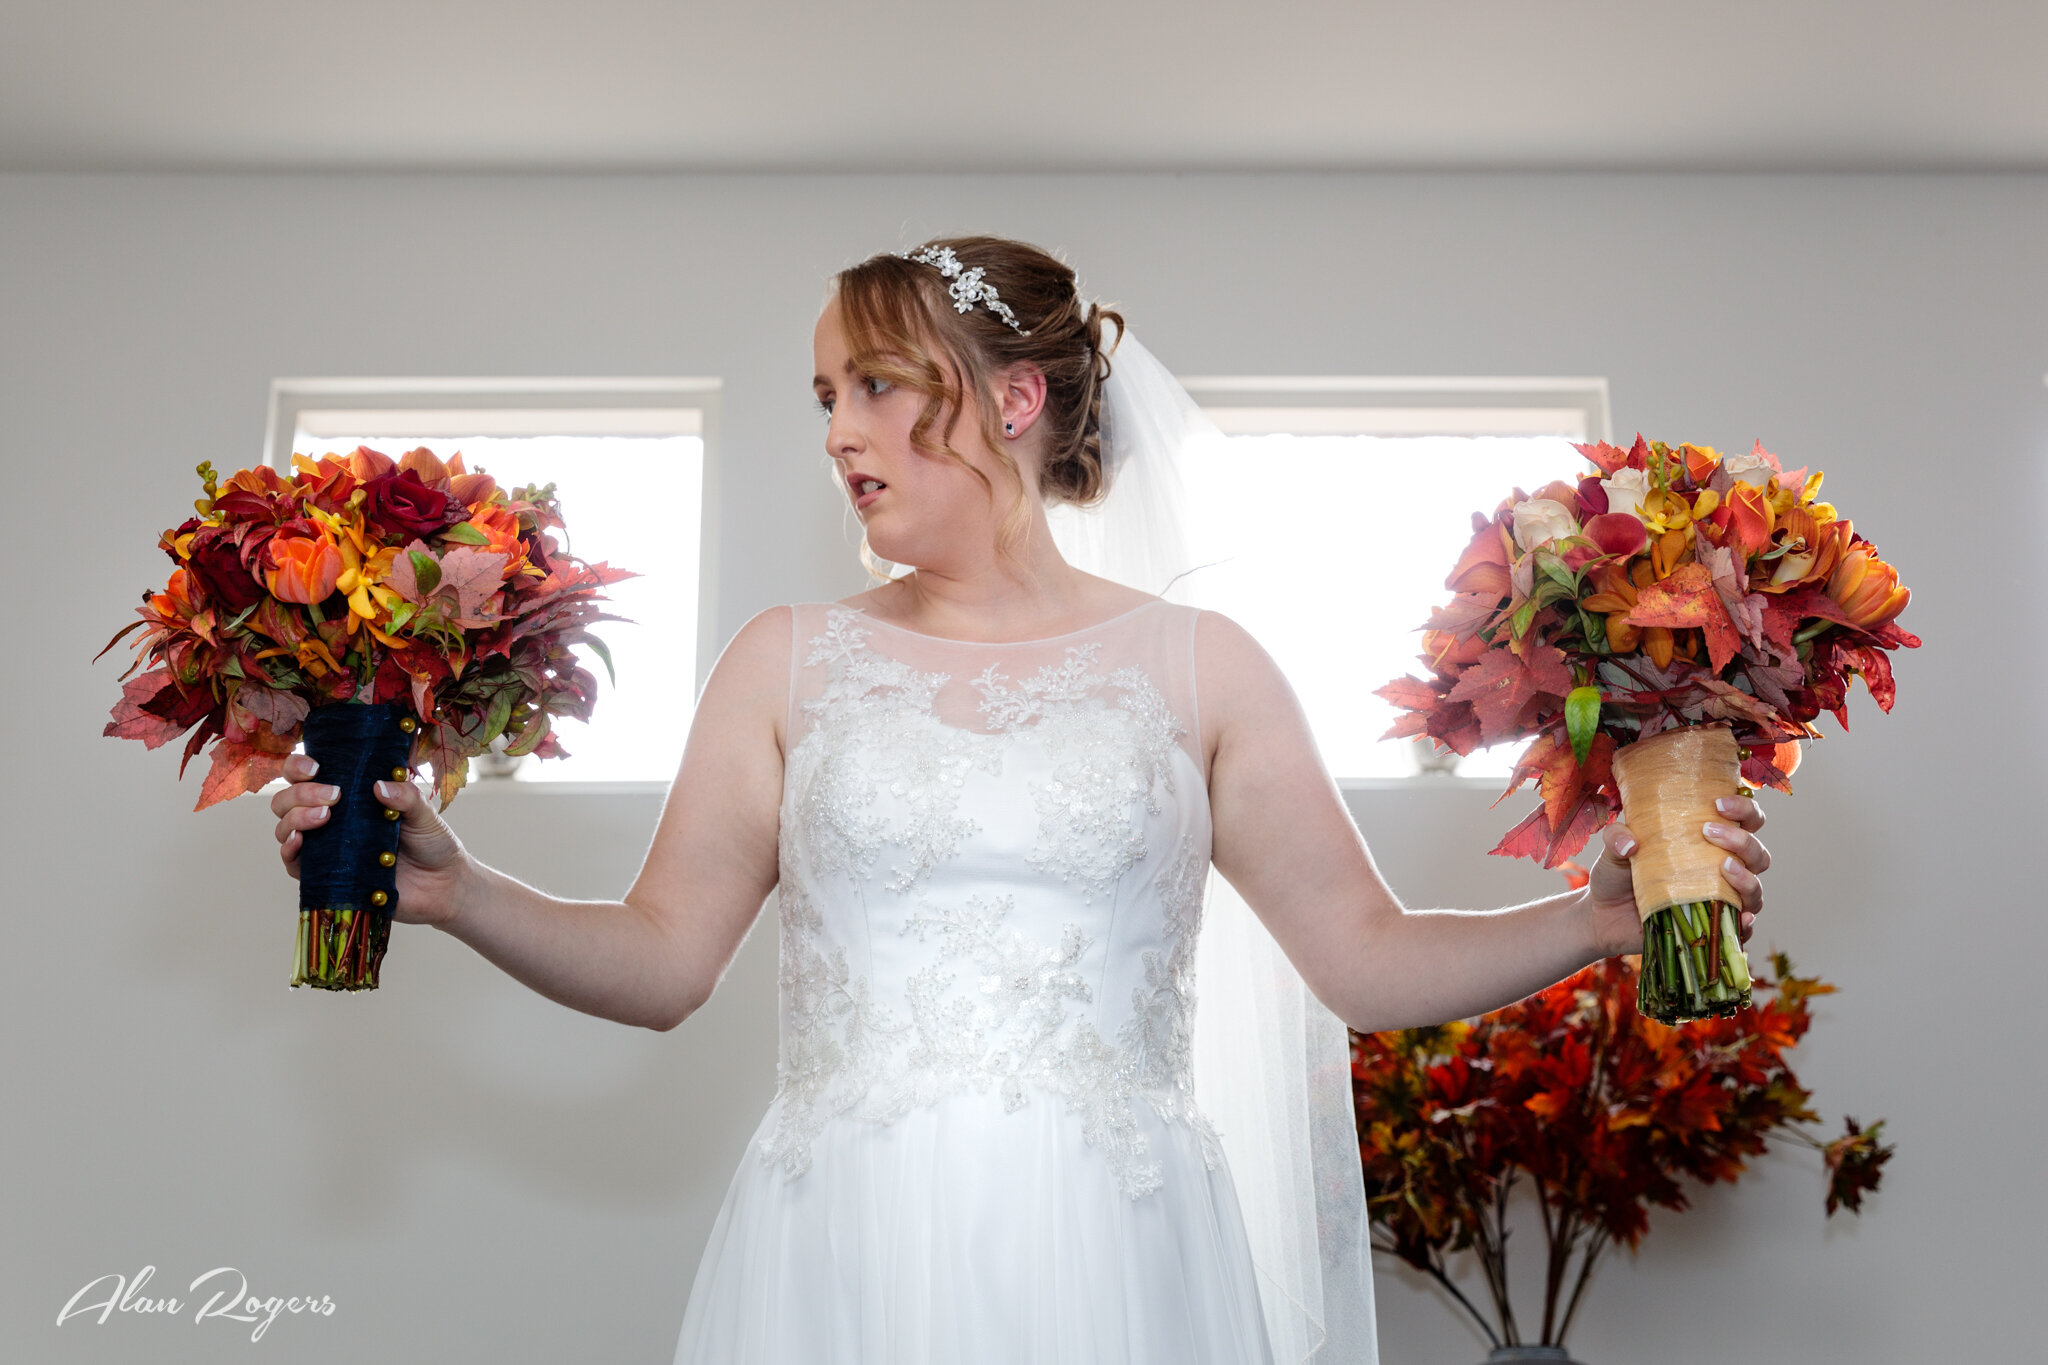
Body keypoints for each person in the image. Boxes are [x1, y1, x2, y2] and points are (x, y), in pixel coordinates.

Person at [268, 235, 1772, 1364]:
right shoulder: (787, 663)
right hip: (837, 1252)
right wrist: (459, 892)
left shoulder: (1204, 667)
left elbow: (1366, 960)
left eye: (872, 386)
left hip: (1119, 1259)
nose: (837, 432)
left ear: (1015, 398)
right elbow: (662, 961)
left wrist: (1592, 920)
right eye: (822, 396)